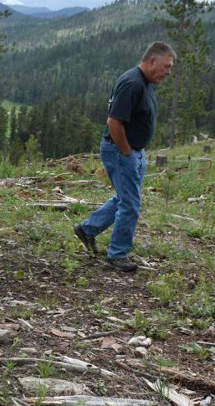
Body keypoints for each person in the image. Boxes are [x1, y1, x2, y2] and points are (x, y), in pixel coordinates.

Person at [73, 42, 175, 272]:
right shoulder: (132, 83)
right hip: (121, 151)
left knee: (125, 198)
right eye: (166, 66)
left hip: (133, 152)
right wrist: (127, 151)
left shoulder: (145, 82)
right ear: (152, 61)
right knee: (130, 204)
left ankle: (87, 230)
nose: (168, 72)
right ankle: (117, 256)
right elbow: (114, 122)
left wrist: (136, 151)